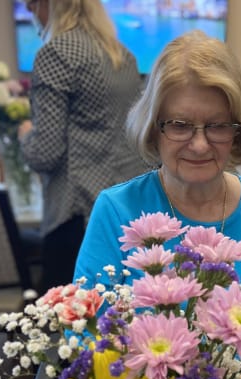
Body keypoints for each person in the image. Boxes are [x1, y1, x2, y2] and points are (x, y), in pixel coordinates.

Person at [74, 30, 241, 379]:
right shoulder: (116, 208)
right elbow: (82, 322)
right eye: (180, 125)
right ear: (154, 129)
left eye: (217, 125)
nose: (200, 145)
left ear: (237, 131)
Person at [18, 0, 147, 292]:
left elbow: (45, 153)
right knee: (112, 322)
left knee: (64, 326)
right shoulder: (123, 56)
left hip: (76, 214)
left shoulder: (56, 54)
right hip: (120, 210)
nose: (29, 11)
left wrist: (24, 135)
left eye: (33, 3)